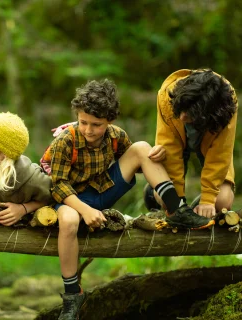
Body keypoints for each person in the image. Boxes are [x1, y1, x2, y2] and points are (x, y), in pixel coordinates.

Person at [46, 79, 213, 319]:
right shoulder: (66, 140)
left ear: (110, 121)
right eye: (83, 122)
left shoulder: (116, 136)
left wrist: (157, 156)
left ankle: (177, 211)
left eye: (96, 124)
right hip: (71, 200)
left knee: (143, 147)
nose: (89, 130)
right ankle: (73, 295)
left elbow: (136, 163)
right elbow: (58, 185)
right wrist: (84, 210)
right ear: (77, 116)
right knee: (70, 221)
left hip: (103, 192)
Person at [144, 69, 238, 218]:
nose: (181, 117)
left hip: (211, 145)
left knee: (222, 202)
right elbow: (170, 150)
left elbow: (220, 155)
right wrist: (177, 204)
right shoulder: (167, 95)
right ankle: (153, 191)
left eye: (189, 114)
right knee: (167, 198)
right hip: (174, 148)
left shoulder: (226, 104)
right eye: (180, 110)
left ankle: (195, 212)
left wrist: (207, 201)